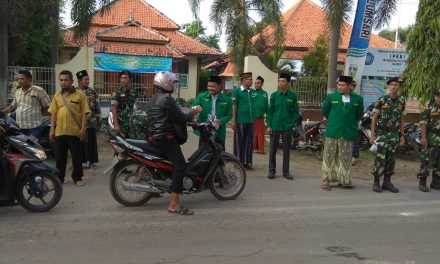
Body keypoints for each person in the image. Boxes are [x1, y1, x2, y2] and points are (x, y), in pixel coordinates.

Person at [147, 71, 201, 215]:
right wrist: (194, 111)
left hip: (155, 137)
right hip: (165, 138)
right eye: (173, 83)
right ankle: (174, 204)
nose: (174, 86)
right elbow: (182, 117)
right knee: (180, 166)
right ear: (166, 83)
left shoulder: (154, 97)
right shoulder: (167, 98)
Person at [321, 75, 364, 191]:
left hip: (348, 132)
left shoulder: (358, 99)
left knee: (345, 157)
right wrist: (335, 120)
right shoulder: (331, 97)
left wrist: (349, 123)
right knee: (329, 156)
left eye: (343, 85)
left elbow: (359, 114)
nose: (340, 87)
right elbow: (325, 111)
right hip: (333, 131)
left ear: (350, 86)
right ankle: (326, 180)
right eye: (339, 85)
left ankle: (344, 180)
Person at [49, 70, 90, 186]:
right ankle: (59, 178)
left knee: (77, 158)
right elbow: (53, 114)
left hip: (75, 132)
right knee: (60, 158)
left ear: (71, 81)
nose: (63, 83)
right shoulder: (56, 96)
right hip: (60, 132)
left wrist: (83, 129)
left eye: (66, 80)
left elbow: (85, 113)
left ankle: (77, 178)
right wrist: (52, 130)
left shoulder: (80, 95)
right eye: (61, 80)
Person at [370, 76, 405, 193]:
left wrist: (402, 135)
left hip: (394, 135)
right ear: (389, 86)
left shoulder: (401, 101)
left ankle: (387, 182)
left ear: (399, 87)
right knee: (380, 158)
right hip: (382, 134)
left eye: (396, 85)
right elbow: (374, 119)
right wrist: (372, 135)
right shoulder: (381, 100)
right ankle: (376, 182)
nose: (394, 87)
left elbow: (401, 119)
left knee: (391, 159)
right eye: (392, 85)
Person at [266, 73, 299, 180]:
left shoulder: (293, 96)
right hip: (275, 126)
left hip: (287, 127)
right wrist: (269, 125)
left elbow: (296, 112)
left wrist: (292, 123)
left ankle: (286, 172)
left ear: (288, 83)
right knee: (273, 150)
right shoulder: (274, 95)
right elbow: (270, 112)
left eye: (283, 81)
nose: (280, 83)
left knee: (286, 150)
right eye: (279, 81)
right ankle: (272, 171)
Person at [2, 69, 51, 138]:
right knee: (20, 148)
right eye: (18, 79)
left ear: (29, 79)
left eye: (22, 79)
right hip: (19, 127)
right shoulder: (18, 92)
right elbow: (12, 106)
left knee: (33, 146)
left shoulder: (39, 90)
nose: (19, 81)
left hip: (34, 128)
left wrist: (40, 111)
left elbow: (48, 106)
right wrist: (2, 112)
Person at [191, 75, 232, 150]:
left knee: (219, 154)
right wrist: (196, 108)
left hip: (219, 131)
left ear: (220, 86)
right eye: (208, 86)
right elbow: (192, 106)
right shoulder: (202, 96)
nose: (210, 88)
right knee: (203, 154)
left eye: (213, 86)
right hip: (204, 130)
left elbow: (229, 115)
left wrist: (221, 121)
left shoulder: (227, 100)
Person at [416, 89, 440, 192]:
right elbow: (423, 123)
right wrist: (424, 137)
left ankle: (436, 183)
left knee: (439, 163)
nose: (439, 98)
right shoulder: (428, 107)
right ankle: (422, 182)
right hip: (431, 139)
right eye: (438, 96)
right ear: (434, 96)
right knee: (427, 161)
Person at [76, 70, 101, 170]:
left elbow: (97, 105)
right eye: (86, 79)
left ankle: (92, 162)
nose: (88, 81)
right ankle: (80, 162)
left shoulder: (92, 91)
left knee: (91, 142)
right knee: (79, 143)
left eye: (88, 79)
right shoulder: (75, 91)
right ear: (79, 81)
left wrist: (99, 116)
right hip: (78, 121)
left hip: (91, 121)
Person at [231, 72, 255, 169]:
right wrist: (233, 120)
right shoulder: (237, 92)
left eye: (251, 79)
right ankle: (237, 162)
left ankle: (247, 162)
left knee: (249, 142)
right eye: (250, 79)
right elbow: (234, 105)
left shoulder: (253, 92)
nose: (252, 81)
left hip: (250, 121)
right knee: (239, 142)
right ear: (244, 81)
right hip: (240, 120)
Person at [111, 70, 138, 138]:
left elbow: (135, 105)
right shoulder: (116, 92)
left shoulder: (134, 91)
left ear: (130, 79)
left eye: (125, 78)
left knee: (132, 143)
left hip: (131, 123)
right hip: (121, 123)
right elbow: (114, 109)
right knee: (121, 144)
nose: (123, 80)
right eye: (121, 78)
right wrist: (116, 125)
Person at [253, 76, 269, 154]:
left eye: (258, 83)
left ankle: (261, 149)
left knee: (261, 134)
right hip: (252, 117)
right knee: (253, 134)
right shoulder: (252, 92)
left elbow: (266, 106)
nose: (256, 84)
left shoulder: (265, 94)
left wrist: (268, 115)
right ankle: (252, 148)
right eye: (255, 83)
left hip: (261, 117)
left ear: (262, 84)